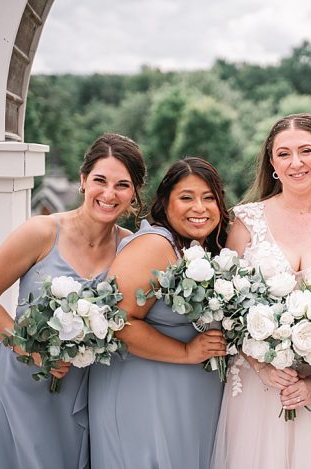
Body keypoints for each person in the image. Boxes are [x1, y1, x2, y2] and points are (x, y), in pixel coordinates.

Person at [0, 133, 145, 469]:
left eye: (122, 185)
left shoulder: (132, 248)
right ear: (82, 181)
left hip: (79, 395)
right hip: (15, 385)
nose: (109, 194)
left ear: (134, 192)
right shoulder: (41, 232)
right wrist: (28, 349)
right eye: (100, 181)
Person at [211, 114, 311, 469]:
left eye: (306, 151)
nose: (295, 162)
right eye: (283, 153)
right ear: (272, 162)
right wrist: (262, 368)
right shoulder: (246, 222)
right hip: (260, 388)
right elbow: (227, 307)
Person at [88, 157, 229, 468]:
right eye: (187, 197)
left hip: (189, 397)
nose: (200, 208)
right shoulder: (155, 244)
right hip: (145, 397)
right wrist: (186, 352)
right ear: (165, 203)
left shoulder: (199, 250)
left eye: (209, 198)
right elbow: (118, 322)